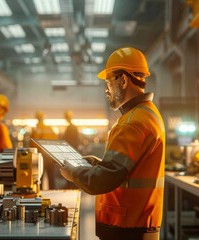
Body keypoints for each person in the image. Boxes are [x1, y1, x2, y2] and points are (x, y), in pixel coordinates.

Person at [60, 47, 165, 240]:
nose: (106, 89)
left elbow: (103, 180)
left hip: (127, 228)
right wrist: (100, 164)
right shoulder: (147, 113)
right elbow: (125, 170)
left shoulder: (133, 122)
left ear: (123, 80)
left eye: (108, 82)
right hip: (138, 224)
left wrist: (72, 173)